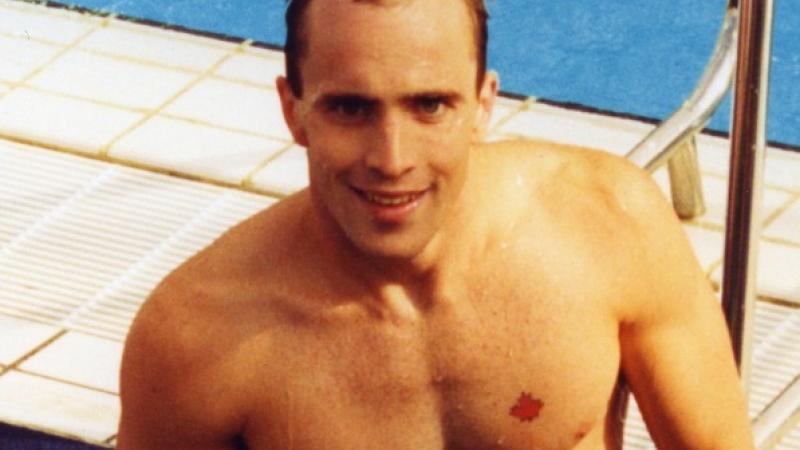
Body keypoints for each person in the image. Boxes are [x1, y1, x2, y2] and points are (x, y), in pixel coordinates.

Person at [117, 0, 756, 448]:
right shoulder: (196, 337)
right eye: (349, 108)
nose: (392, 159)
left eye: (429, 105)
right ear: (294, 111)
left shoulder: (608, 223)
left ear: (483, 102)